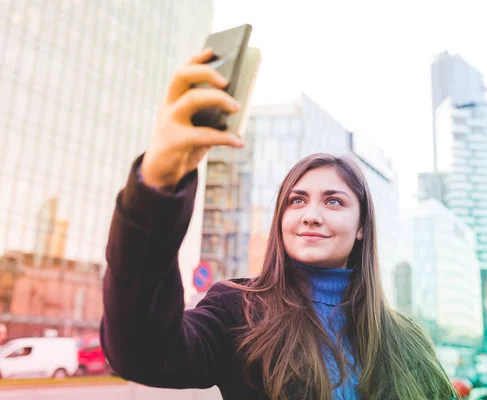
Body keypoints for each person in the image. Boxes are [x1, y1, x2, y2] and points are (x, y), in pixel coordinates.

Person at [100, 48, 456, 400]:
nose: (311, 214)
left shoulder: (407, 339)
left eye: (333, 201)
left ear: (362, 226)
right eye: (296, 200)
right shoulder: (238, 311)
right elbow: (142, 351)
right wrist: (158, 181)